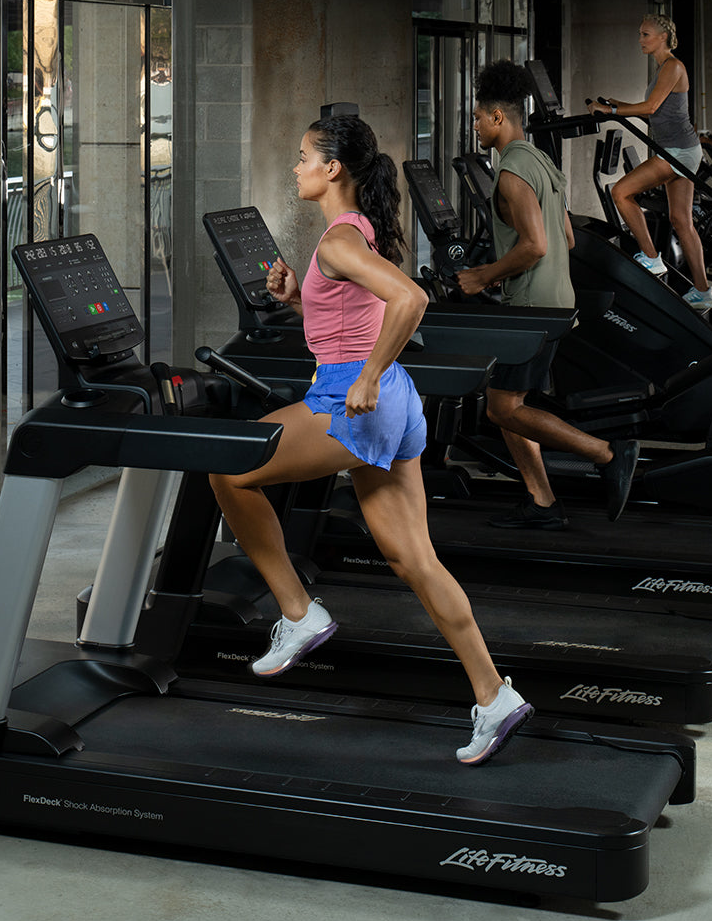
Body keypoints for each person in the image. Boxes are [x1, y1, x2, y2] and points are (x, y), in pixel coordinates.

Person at [209, 113, 532, 766]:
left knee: (226, 467)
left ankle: (299, 614)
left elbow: (410, 300)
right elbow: (359, 310)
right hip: (399, 403)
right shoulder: (354, 233)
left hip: (358, 402)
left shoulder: (338, 241)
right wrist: (302, 300)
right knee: (416, 559)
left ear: (332, 168)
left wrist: (367, 375)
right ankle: (493, 694)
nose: (295, 167)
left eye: (303, 157)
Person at [456, 60, 640, 530]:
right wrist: (503, 270)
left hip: (531, 309)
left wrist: (484, 276)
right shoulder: (541, 161)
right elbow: (566, 240)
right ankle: (541, 502)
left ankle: (607, 453)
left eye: (478, 117)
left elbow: (535, 245)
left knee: (503, 407)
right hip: (555, 299)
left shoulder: (512, 172)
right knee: (507, 404)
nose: (474, 125)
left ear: (498, 117)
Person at [588, 14, 712, 312]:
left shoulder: (673, 66)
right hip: (682, 149)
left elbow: (651, 106)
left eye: (645, 34)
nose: (640, 39)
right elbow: (653, 114)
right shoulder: (663, 69)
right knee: (681, 222)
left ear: (662, 37)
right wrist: (616, 107)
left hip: (678, 151)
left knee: (620, 192)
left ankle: (651, 258)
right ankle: (702, 291)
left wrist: (612, 109)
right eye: (640, 34)